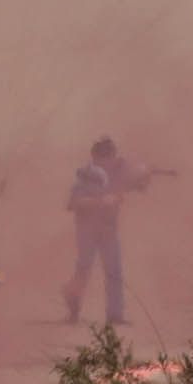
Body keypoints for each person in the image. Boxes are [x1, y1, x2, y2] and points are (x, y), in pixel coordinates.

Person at [58, 136, 165, 326]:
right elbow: (73, 203)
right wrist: (101, 202)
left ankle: (115, 315)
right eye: (106, 156)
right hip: (87, 229)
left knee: (114, 271)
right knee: (84, 268)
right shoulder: (88, 175)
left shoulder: (119, 173)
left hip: (109, 228)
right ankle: (73, 305)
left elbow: (135, 184)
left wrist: (145, 178)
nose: (111, 160)